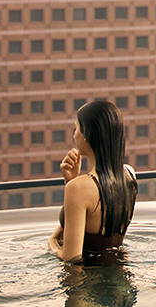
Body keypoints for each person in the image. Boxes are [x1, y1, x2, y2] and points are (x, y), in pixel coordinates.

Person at [49, 100, 138, 262]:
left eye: (77, 128)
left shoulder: (79, 188)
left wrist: (52, 243)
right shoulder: (129, 174)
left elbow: (71, 258)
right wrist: (71, 181)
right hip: (120, 272)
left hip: (89, 282)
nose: (74, 134)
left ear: (87, 135)